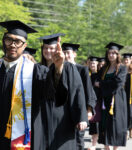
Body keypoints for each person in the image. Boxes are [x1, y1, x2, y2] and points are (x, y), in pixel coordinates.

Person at [0, 20, 67, 150]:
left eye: (18, 42)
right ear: (3, 41)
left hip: (22, 136)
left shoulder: (35, 71)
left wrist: (58, 69)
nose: (13, 45)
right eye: (9, 40)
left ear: (24, 46)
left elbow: (54, 95)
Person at [39, 34, 88, 150]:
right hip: (42, 117)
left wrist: (81, 117)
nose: (48, 51)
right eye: (45, 48)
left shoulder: (69, 67)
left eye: (51, 48)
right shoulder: (37, 68)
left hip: (63, 116)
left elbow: (78, 91)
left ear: (57, 49)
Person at [62, 43, 97, 150]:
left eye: (68, 53)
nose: (66, 55)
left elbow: (88, 91)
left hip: (78, 109)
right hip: (63, 110)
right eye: (64, 53)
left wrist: (89, 109)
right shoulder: (59, 69)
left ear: (74, 54)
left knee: (78, 140)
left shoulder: (82, 69)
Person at [96, 42, 127, 150]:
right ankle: (106, 148)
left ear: (117, 54)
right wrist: (102, 84)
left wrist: (102, 84)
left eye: (113, 53)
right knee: (105, 124)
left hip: (116, 100)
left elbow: (117, 83)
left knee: (116, 125)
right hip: (105, 101)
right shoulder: (104, 68)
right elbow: (97, 80)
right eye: (109, 53)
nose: (111, 55)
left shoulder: (122, 68)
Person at [122, 53, 132, 139]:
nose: (126, 60)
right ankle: (125, 132)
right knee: (124, 114)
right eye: (125, 59)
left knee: (131, 114)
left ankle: (131, 129)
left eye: (127, 59)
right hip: (123, 96)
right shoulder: (121, 71)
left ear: (130, 60)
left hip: (131, 97)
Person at [87, 56, 100, 150]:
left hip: (99, 102)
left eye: (94, 63)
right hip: (91, 102)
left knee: (98, 123)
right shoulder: (87, 74)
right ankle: (94, 144)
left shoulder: (100, 75)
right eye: (91, 63)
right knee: (93, 123)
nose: (92, 65)